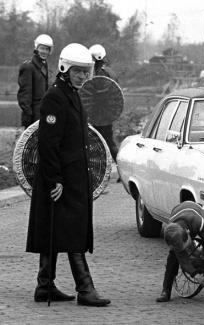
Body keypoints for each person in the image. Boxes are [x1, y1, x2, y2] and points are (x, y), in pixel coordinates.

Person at [26, 43, 110, 307]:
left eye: (85, 72)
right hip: (61, 179)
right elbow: (48, 144)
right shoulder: (55, 98)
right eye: (78, 72)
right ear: (65, 68)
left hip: (73, 177)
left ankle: (45, 285)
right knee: (73, 231)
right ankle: (85, 289)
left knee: (57, 227)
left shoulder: (71, 94)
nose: (83, 77)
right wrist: (56, 180)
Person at [156, 201, 204, 302]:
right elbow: (183, 260)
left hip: (195, 211)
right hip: (177, 214)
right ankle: (166, 290)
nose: (185, 250)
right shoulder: (173, 234)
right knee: (172, 258)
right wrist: (195, 274)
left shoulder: (196, 221)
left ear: (188, 233)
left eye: (186, 246)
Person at [88, 44, 119, 164]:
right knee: (107, 142)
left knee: (106, 143)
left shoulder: (101, 75)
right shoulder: (108, 72)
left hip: (101, 115)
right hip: (105, 115)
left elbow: (99, 97)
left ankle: (119, 167)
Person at [17, 34, 53, 128]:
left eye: (47, 49)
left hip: (43, 112)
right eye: (42, 48)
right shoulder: (28, 67)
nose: (44, 51)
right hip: (32, 114)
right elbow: (25, 93)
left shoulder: (44, 65)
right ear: (36, 48)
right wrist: (28, 115)